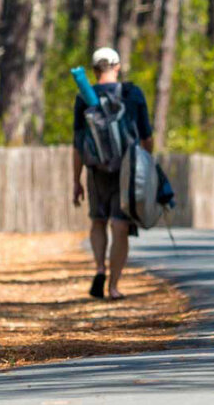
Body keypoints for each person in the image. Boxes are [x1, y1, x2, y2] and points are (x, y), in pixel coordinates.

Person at [72, 46, 153, 300]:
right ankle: (114, 286)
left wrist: (76, 180)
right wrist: (148, 167)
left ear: (95, 71)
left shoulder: (83, 97)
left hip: (96, 170)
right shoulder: (132, 93)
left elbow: (77, 144)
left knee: (98, 221)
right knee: (120, 226)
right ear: (117, 67)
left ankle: (99, 268)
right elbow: (147, 137)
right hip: (127, 169)